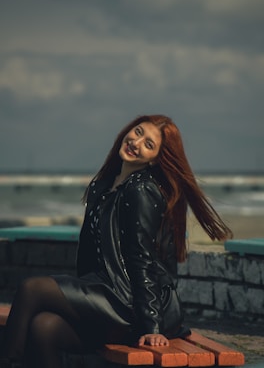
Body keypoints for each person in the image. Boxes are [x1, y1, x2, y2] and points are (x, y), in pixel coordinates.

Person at [2, 114, 233, 368]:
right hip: (106, 294)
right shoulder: (104, 185)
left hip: (127, 304)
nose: (136, 142)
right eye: (137, 132)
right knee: (43, 327)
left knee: (32, 288)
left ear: (155, 159)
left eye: (148, 144)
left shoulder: (141, 189)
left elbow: (142, 258)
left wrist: (152, 326)